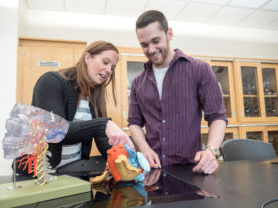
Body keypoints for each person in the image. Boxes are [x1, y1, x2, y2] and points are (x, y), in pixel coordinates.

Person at [128, 10, 227, 174]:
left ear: (169, 33)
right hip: (154, 170)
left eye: (156, 41)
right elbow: (134, 122)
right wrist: (145, 149)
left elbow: (217, 116)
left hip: (192, 168)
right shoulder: (138, 82)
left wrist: (211, 151)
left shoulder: (199, 70)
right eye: (144, 45)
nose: (151, 49)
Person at [16, 40, 133, 174]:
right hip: (39, 174)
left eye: (112, 67)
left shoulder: (94, 97)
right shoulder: (51, 81)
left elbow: (102, 140)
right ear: (87, 58)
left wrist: (125, 156)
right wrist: (104, 125)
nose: (109, 70)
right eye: (105, 62)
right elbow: (56, 131)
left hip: (73, 172)